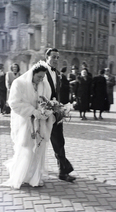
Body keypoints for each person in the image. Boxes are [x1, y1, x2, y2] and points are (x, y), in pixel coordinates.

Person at [0, 61, 55, 189]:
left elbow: (48, 100)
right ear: (32, 74)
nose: (40, 80)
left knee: (39, 149)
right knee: (26, 147)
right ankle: (23, 175)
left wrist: (47, 111)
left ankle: (35, 176)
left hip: (40, 122)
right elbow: (14, 103)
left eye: (42, 77)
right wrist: (32, 111)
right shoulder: (19, 83)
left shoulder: (44, 85)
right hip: (25, 122)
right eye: (38, 77)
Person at [43, 48, 76, 182]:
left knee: (59, 142)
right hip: (43, 113)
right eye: (53, 57)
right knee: (37, 143)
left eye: (58, 57)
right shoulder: (41, 71)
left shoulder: (57, 74)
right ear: (47, 57)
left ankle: (63, 171)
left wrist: (62, 108)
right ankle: (31, 170)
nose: (56, 60)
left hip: (56, 113)